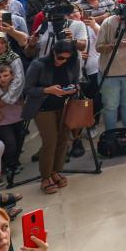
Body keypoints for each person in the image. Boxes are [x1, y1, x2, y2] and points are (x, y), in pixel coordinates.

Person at [24, 40, 79, 195]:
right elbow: (27, 89)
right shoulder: (38, 65)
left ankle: (56, 171)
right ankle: (45, 176)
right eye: (60, 57)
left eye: (67, 58)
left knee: (63, 139)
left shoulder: (73, 63)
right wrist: (48, 90)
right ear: (53, 53)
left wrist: (73, 89)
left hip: (65, 106)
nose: (63, 61)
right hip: (43, 107)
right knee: (50, 141)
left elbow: (76, 82)